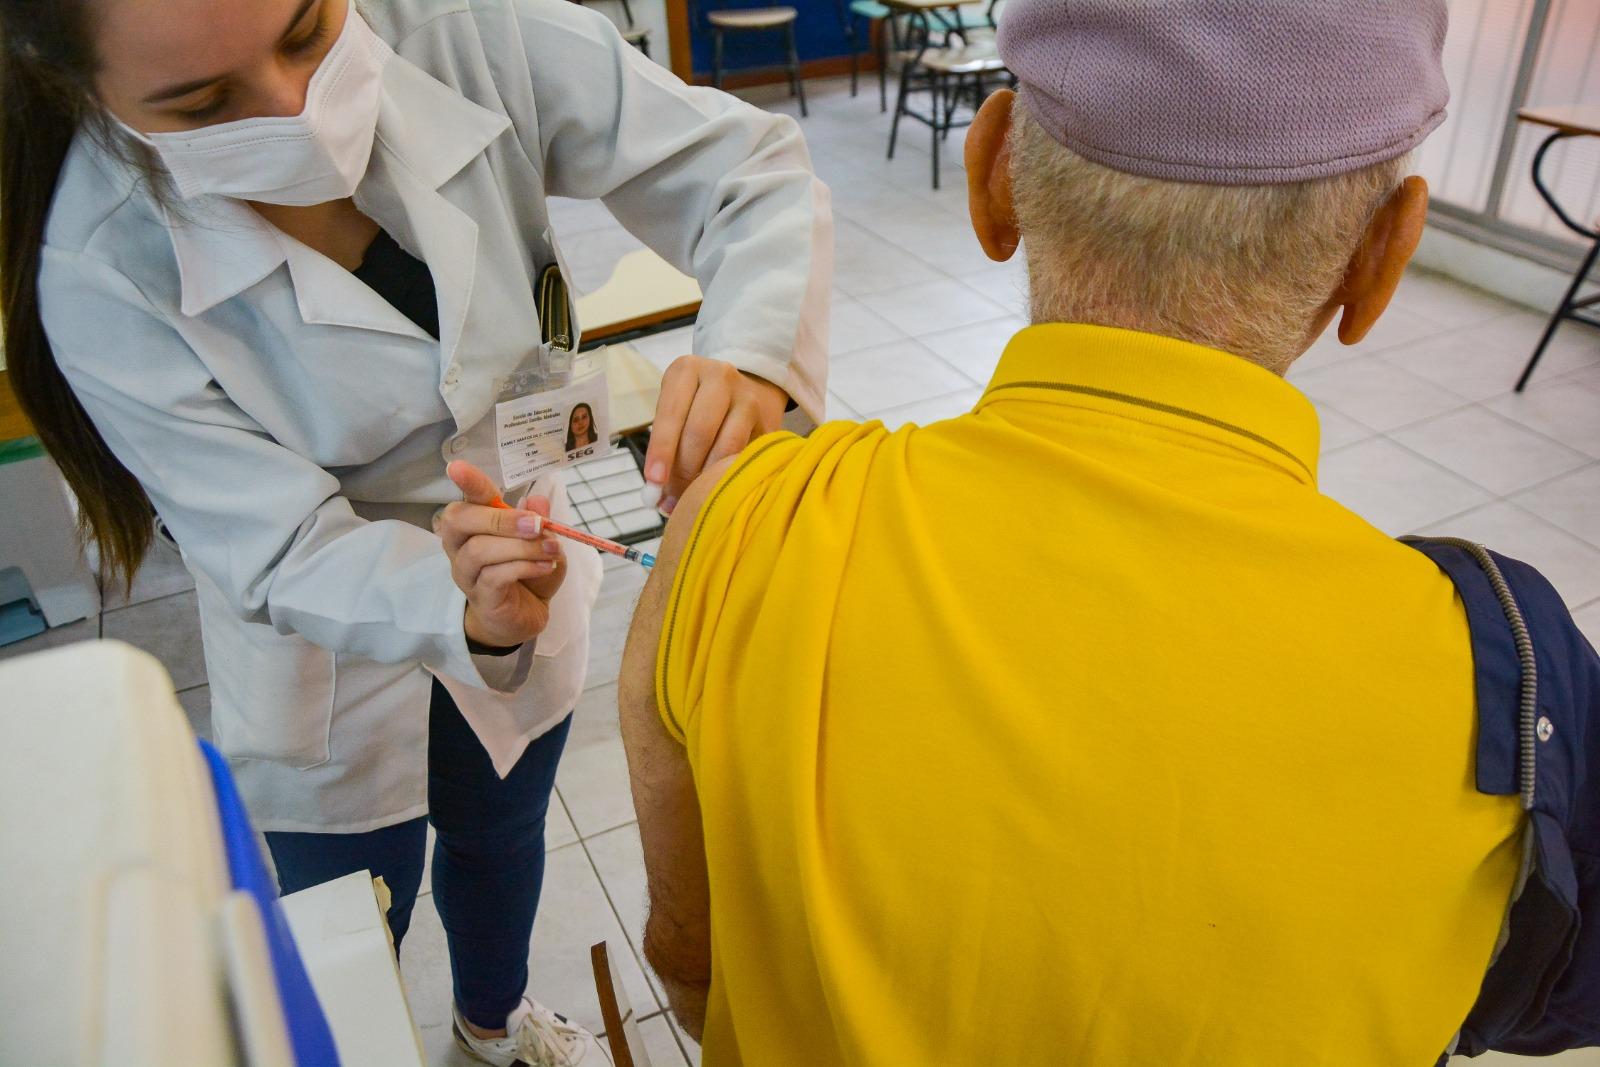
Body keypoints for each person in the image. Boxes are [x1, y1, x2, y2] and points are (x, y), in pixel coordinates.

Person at [618, 2, 1600, 1064]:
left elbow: (690, 958)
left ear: (992, 176)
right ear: (1382, 258)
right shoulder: (1515, 683)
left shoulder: (742, 531)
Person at [1, 0, 829, 1062]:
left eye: (306, 31)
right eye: (203, 103)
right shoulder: (96, 256)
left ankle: (492, 1022)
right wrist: (459, 607)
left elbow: (743, 165)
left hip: (523, 534)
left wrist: (754, 348)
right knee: (351, 903)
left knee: (501, 828)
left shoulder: (465, 27)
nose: (296, 111)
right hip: (324, 633)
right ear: (84, 89)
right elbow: (279, 544)